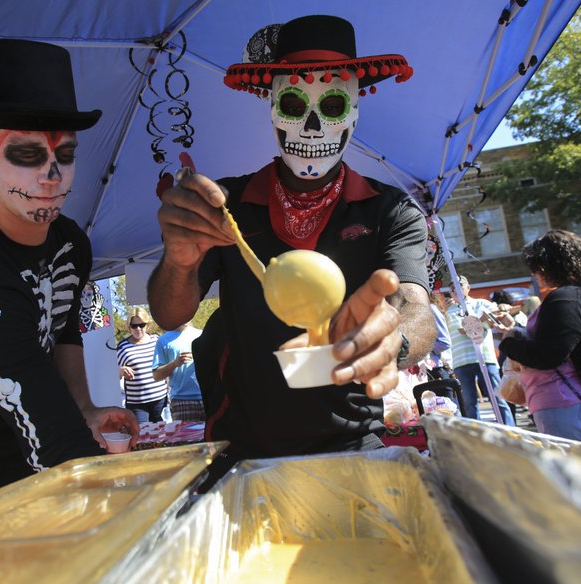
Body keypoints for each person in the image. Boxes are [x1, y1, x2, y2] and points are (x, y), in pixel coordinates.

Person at [147, 15, 435, 468]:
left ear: (355, 112)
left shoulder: (389, 210)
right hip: (241, 448)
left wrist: (393, 342)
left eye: (335, 106)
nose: (315, 128)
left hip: (355, 441)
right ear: (272, 107)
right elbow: (168, 314)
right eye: (295, 106)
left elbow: (416, 306)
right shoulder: (226, 205)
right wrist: (179, 260)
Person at [0, 39, 138, 517]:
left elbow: (64, 328)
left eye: (66, 154)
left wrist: (87, 409)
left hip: (44, 483)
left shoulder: (70, 242)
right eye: (28, 155)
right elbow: (49, 429)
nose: (53, 176)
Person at [500, 230, 581, 443]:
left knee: (570, 472)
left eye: (535, 269)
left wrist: (508, 344)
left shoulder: (566, 299)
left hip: (565, 403)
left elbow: (549, 355)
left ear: (545, 266)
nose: (534, 274)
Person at [445, 276, 515, 425]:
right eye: (451, 287)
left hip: (485, 357)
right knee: (470, 403)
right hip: (461, 361)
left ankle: (511, 432)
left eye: (459, 285)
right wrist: (482, 318)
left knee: (498, 399)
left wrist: (504, 311)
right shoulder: (448, 311)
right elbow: (464, 329)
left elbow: (507, 321)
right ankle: (476, 435)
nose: (454, 289)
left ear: (468, 288)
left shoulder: (481, 303)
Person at [117, 308, 168, 422]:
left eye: (141, 325)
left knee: (162, 436)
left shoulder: (157, 341)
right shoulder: (122, 347)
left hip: (160, 399)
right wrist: (120, 371)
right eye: (134, 326)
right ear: (129, 327)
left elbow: (166, 365)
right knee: (142, 435)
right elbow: (112, 375)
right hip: (137, 404)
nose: (138, 329)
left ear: (147, 325)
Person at [152, 321, 205, 421]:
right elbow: (156, 376)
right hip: (182, 400)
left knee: (213, 436)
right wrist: (175, 363)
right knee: (186, 436)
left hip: (207, 397)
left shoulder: (201, 334)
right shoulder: (163, 340)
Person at [426, 293, 453, 381]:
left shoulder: (430, 309)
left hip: (436, 368)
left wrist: (421, 347)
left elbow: (444, 342)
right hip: (427, 369)